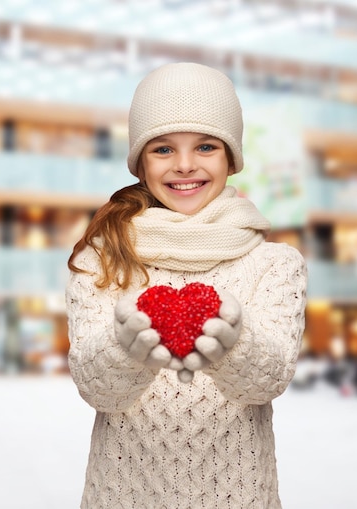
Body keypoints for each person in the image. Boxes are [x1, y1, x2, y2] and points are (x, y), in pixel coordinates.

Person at [66, 62, 307, 509]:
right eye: (162, 149)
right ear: (140, 161)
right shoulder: (102, 259)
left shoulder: (275, 264)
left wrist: (233, 344)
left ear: (231, 157)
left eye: (205, 146)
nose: (184, 165)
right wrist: (126, 346)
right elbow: (95, 388)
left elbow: (268, 382)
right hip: (123, 497)